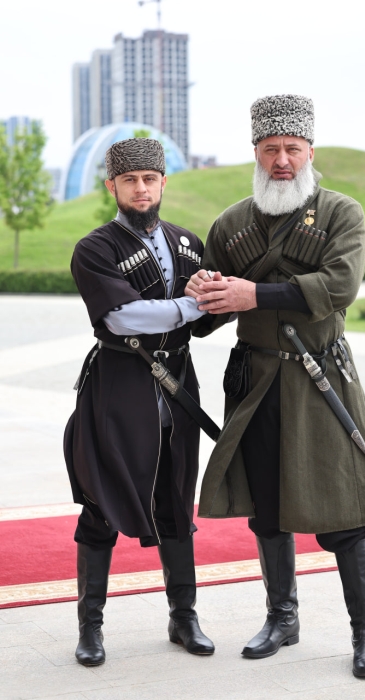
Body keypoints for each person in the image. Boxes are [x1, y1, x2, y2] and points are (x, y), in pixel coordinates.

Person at [186, 95, 365, 679]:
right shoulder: (230, 225)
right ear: (255, 152)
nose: (281, 160)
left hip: (320, 378)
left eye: (292, 148)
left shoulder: (341, 213)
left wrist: (251, 293)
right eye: (270, 149)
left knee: (345, 510)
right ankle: (282, 619)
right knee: (267, 508)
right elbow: (208, 318)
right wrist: (201, 291)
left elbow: (339, 287)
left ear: (310, 151)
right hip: (256, 381)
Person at [64, 138, 215, 666]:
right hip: (118, 386)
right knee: (101, 502)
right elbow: (121, 317)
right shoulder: (95, 248)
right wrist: (191, 306)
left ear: (163, 182)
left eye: (150, 178)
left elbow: (208, 317)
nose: (141, 188)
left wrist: (216, 295)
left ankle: (184, 618)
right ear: (112, 186)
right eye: (130, 180)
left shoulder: (188, 243)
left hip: (179, 382)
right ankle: (90, 628)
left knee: (176, 498)